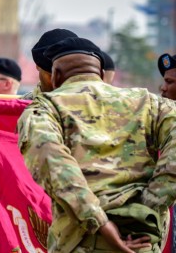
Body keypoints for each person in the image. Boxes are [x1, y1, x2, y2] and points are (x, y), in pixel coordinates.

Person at [18, 37, 176, 252]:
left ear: (56, 76)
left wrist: (99, 222)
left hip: (81, 240)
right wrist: (148, 207)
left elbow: (52, 164)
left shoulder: (46, 108)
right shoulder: (148, 103)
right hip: (141, 239)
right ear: (101, 74)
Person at [24, 28, 78, 99]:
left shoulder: (92, 102)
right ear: (37, 66)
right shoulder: (22, 105)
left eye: (67, 77)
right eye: (51, 76)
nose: (58, 83)